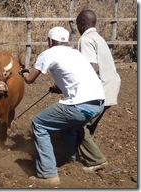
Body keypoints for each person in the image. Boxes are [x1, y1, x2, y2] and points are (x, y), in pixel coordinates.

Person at [19, 26, 105, 185]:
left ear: (50, 41)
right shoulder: (75, 53)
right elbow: (77, 76)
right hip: (99, 102)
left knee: (39, 123)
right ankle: (70, 159)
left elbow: (30, 79)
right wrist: (60, 88)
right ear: (66, 41)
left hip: (79, 105)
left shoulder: (47, 54)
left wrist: (23, 71)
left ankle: (48, 174)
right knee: (70, 126)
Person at [73, 9, 121, 172]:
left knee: (78, 124)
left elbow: (91, 67)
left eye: (78, 24)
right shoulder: (98, 38)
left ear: (82, 23)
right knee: (89, 125)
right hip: (111, 86)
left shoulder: (85, 40)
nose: (78, 27)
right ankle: (81, 153)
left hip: (101, 90)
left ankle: (97, 160)